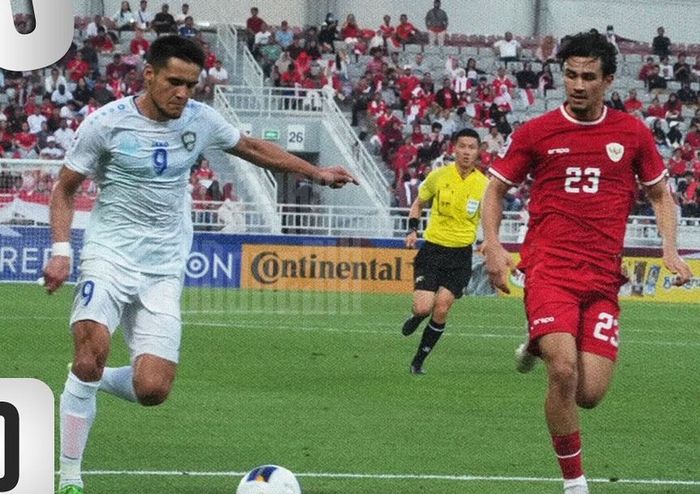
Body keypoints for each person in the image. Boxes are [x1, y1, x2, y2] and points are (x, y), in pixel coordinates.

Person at [42, 35, 358, 494]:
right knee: (92, 348)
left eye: (192, 84)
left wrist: (316, 172)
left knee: (153, 388)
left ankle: (84, 381)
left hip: (164, 266)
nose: (183, 93)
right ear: (148, 75)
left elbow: (251, 147)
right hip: (108, 256)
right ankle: (70, 477)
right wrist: (61, 251)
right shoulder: (104, 124)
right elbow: (64, 189)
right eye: (174, 82)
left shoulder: (200, 120)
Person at [480, 32, 693, 494]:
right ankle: (575, 484)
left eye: (588, 77)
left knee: (589, 394)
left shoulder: (631, 133)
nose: (577, 85)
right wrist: (493, 245)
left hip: (601, 279)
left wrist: (670, 249)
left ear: (608, 81)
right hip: (549, 269)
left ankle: (537, 343)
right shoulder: (536, 132)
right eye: (571, 75)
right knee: (563, 369)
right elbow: (495, 188)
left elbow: (660, 193)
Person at [400, 128, 489, 375]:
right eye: (463, 146)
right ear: (454, 148)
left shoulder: (484, 184)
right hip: (433, 250)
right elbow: (419, 202)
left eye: (472, 147)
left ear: (478, 151)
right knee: (423, 307)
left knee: (442, 308)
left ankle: (418, 361)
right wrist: (412, 230)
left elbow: (491, 215)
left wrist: (489, 239)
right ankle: (417, 317)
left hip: (460, 255)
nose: (467, 152)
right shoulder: (439, 176)